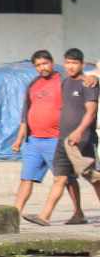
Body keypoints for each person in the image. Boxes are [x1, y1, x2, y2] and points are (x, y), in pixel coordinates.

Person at [33, 47, 95, 226]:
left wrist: (79, 131)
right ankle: (44, 216)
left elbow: (90, 112)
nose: (71, 66)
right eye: (68, 62)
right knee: (60, 177)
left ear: (82, 64)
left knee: (94, 178)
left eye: (75, 63)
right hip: (63, 140)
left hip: (81, 140)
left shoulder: (88, 83)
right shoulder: (65, 82)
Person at [14, 50, 64, 223]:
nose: (42, 67)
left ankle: (47, 215)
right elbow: (25, 115)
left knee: (62, 178)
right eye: (38, 65)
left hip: (56, 140)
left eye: (45, 63)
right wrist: (19, 139)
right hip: (33, 140)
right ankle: (14, 214)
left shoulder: (64, 81)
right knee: (26, 179)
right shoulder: (33, 84)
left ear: (52, 62)